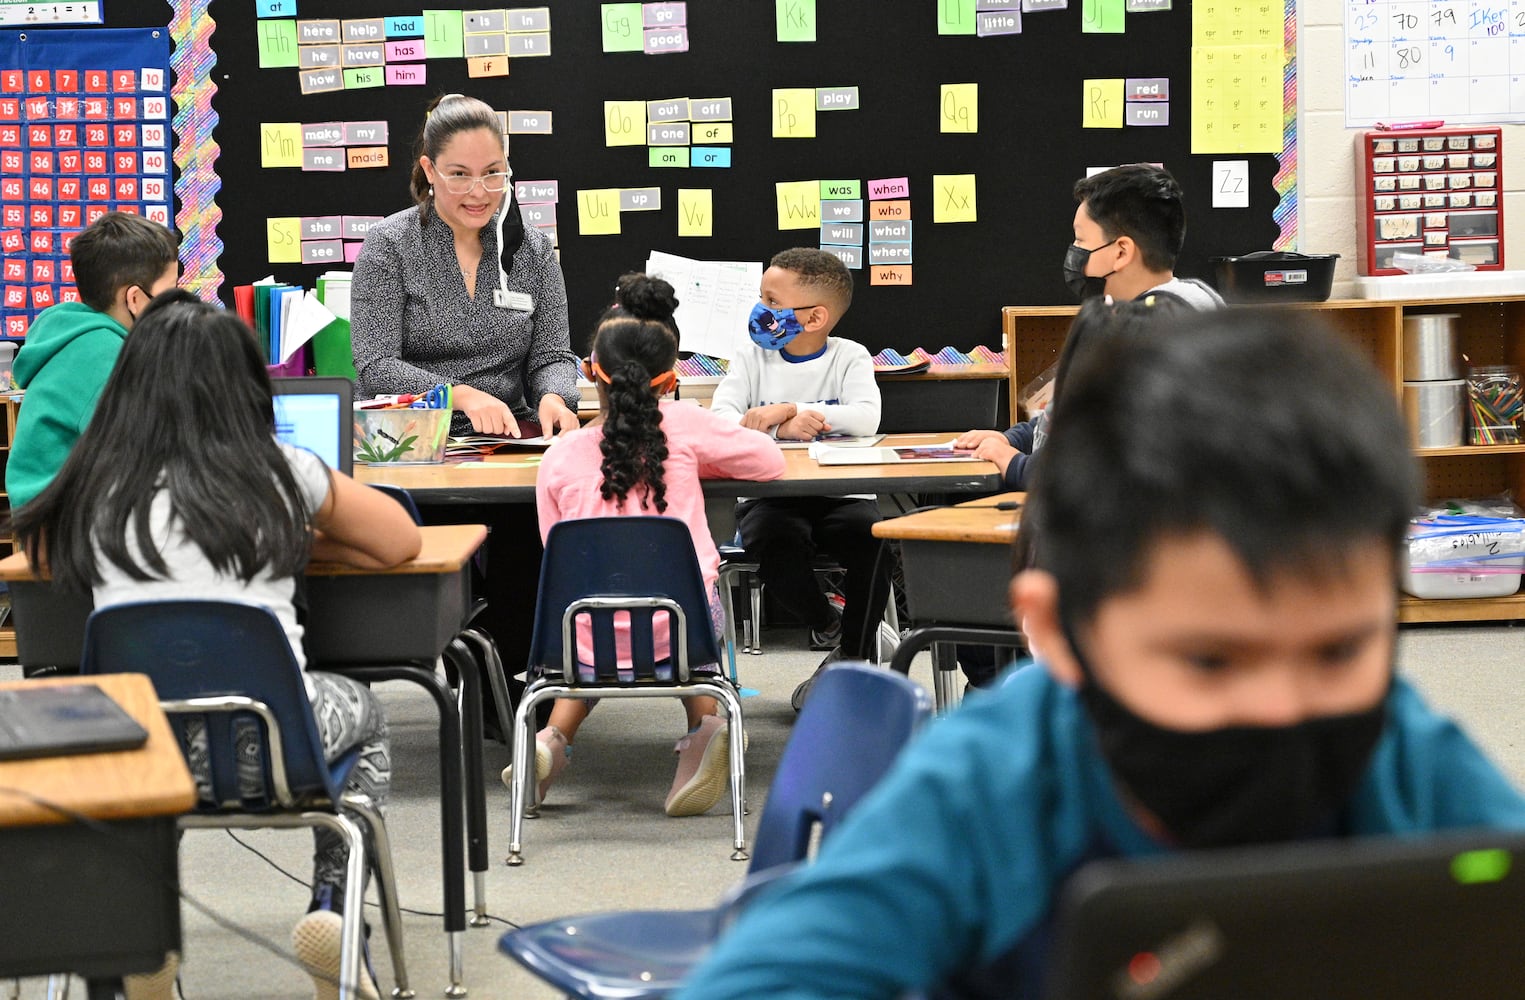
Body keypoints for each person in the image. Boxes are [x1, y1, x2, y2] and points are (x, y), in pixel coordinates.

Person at [679, 309, 1525, 1000]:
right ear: (1055, 632)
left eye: (1337, 651)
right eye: (1208, 662)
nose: (1282, 706)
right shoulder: (989, 788)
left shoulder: (1405, 759)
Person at [12, 291, 422, 1000]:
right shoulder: (281, 473)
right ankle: (332, 908)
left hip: (136, 752)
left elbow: (41, 552)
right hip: (273, 745)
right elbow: (398, 541)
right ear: (245, 387)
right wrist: (295, 535)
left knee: (161, 747)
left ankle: (143, 932)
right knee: (369, 715)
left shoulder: (94, 483)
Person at [349, 93, 581, 734]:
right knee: (452, 549)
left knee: (531, 541)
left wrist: (556, 396)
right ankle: (476, 684)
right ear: (428, 170)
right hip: (420, 449)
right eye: (460, 174)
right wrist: (458, 395)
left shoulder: (531, 251)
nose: (480, 191)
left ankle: (518, 695)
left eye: (495, 172)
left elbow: (555, 355)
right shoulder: (389, 246)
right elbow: (373, 364)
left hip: (512, 444)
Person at [520, 273, 785, 815]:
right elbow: (770, 461)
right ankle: (706, 728)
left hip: (582, 637)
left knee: (595, 635)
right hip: (682, 636)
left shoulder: (560, 455)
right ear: (671, 378)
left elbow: (556, 548)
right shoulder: (687, 425)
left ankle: (550, 742)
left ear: (590, 371)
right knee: (691, 621)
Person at [709, 247, 892, 711]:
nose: (761, 311)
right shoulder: (750, 357)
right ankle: (827, 622)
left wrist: (794, 411)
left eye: (772, 302)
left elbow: (867, 418)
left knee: (872, 540)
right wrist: (777, 428)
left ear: (813, 319)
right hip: (770, 497)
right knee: (772, 540)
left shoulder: (850, 356)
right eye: (762, 298)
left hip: (841, 494)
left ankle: (852, 652)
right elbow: (721, 420)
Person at [6, 210, 180, 509]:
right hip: (63, 528)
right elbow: (149, 457)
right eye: (170, 293)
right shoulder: (104, 356)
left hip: (57, 515)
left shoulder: (79, 335)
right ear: (135, 299)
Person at [1063, 162, 1225, 308]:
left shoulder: (1142, 331)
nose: (1075, 248)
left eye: (1080, 239)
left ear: (1122, 252)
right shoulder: (1200, 299)